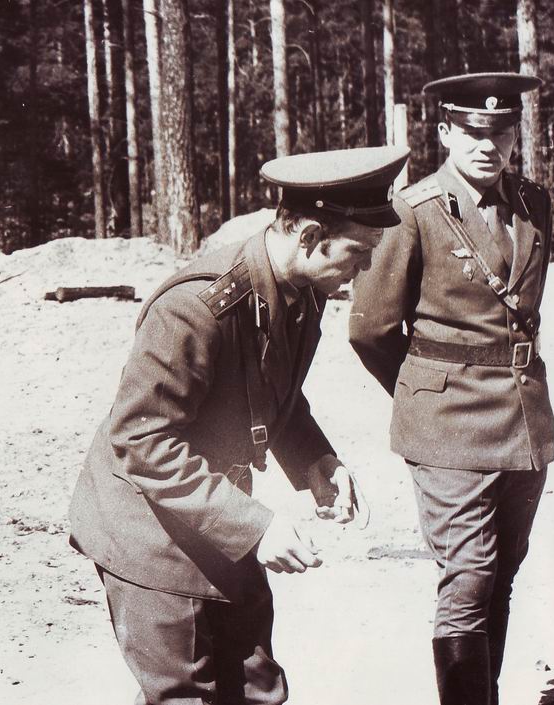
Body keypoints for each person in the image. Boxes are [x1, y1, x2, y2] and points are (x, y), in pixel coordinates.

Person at [69, 145, 410, 704]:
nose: (366, 268)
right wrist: (255, 527)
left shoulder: (302, 288)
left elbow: (271, 388)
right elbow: (141, 439)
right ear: (308, 237)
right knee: (185, 693)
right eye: (358, 252)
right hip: (150, 531)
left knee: (257, 687)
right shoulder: (196, 308)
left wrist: (315, 461)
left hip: (215, 515)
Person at [349, 73, 554, 705]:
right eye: (471, 132)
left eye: (501, 132)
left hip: (522, 420)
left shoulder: (535, 202)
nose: (487, 145)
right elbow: (370, 328)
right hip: (447, 426)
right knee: (467, 576)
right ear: (444, 133)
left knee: (501, 575)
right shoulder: (412, 212)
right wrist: (425, 393)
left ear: (515, 135)